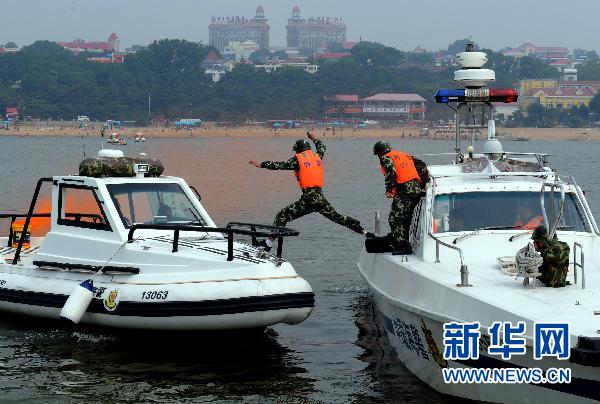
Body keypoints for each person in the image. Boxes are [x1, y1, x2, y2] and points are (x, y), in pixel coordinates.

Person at [250, 131, 367, 250]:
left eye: (295, 151)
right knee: (338, 218)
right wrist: (314, 138)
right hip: (320, 199)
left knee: (282, 215)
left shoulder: (298, 159)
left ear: (298, 150)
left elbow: (280, 165)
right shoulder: (317, 156)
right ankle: (364, 232)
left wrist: (261, 164)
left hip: (309, 199)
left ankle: (267, 244)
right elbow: (322, 147)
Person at [373, 140, 427, 254]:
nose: (378, 157)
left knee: (395, 219)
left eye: (378, 155)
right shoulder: (404, 155)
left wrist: (389, 190)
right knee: (406, 218)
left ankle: (403, 246)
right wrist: (424, 182)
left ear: (380, 153)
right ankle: (401, 239)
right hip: (417, 190)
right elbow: (421, 164)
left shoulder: (386, 158)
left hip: (405, 192)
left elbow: (390, 172)